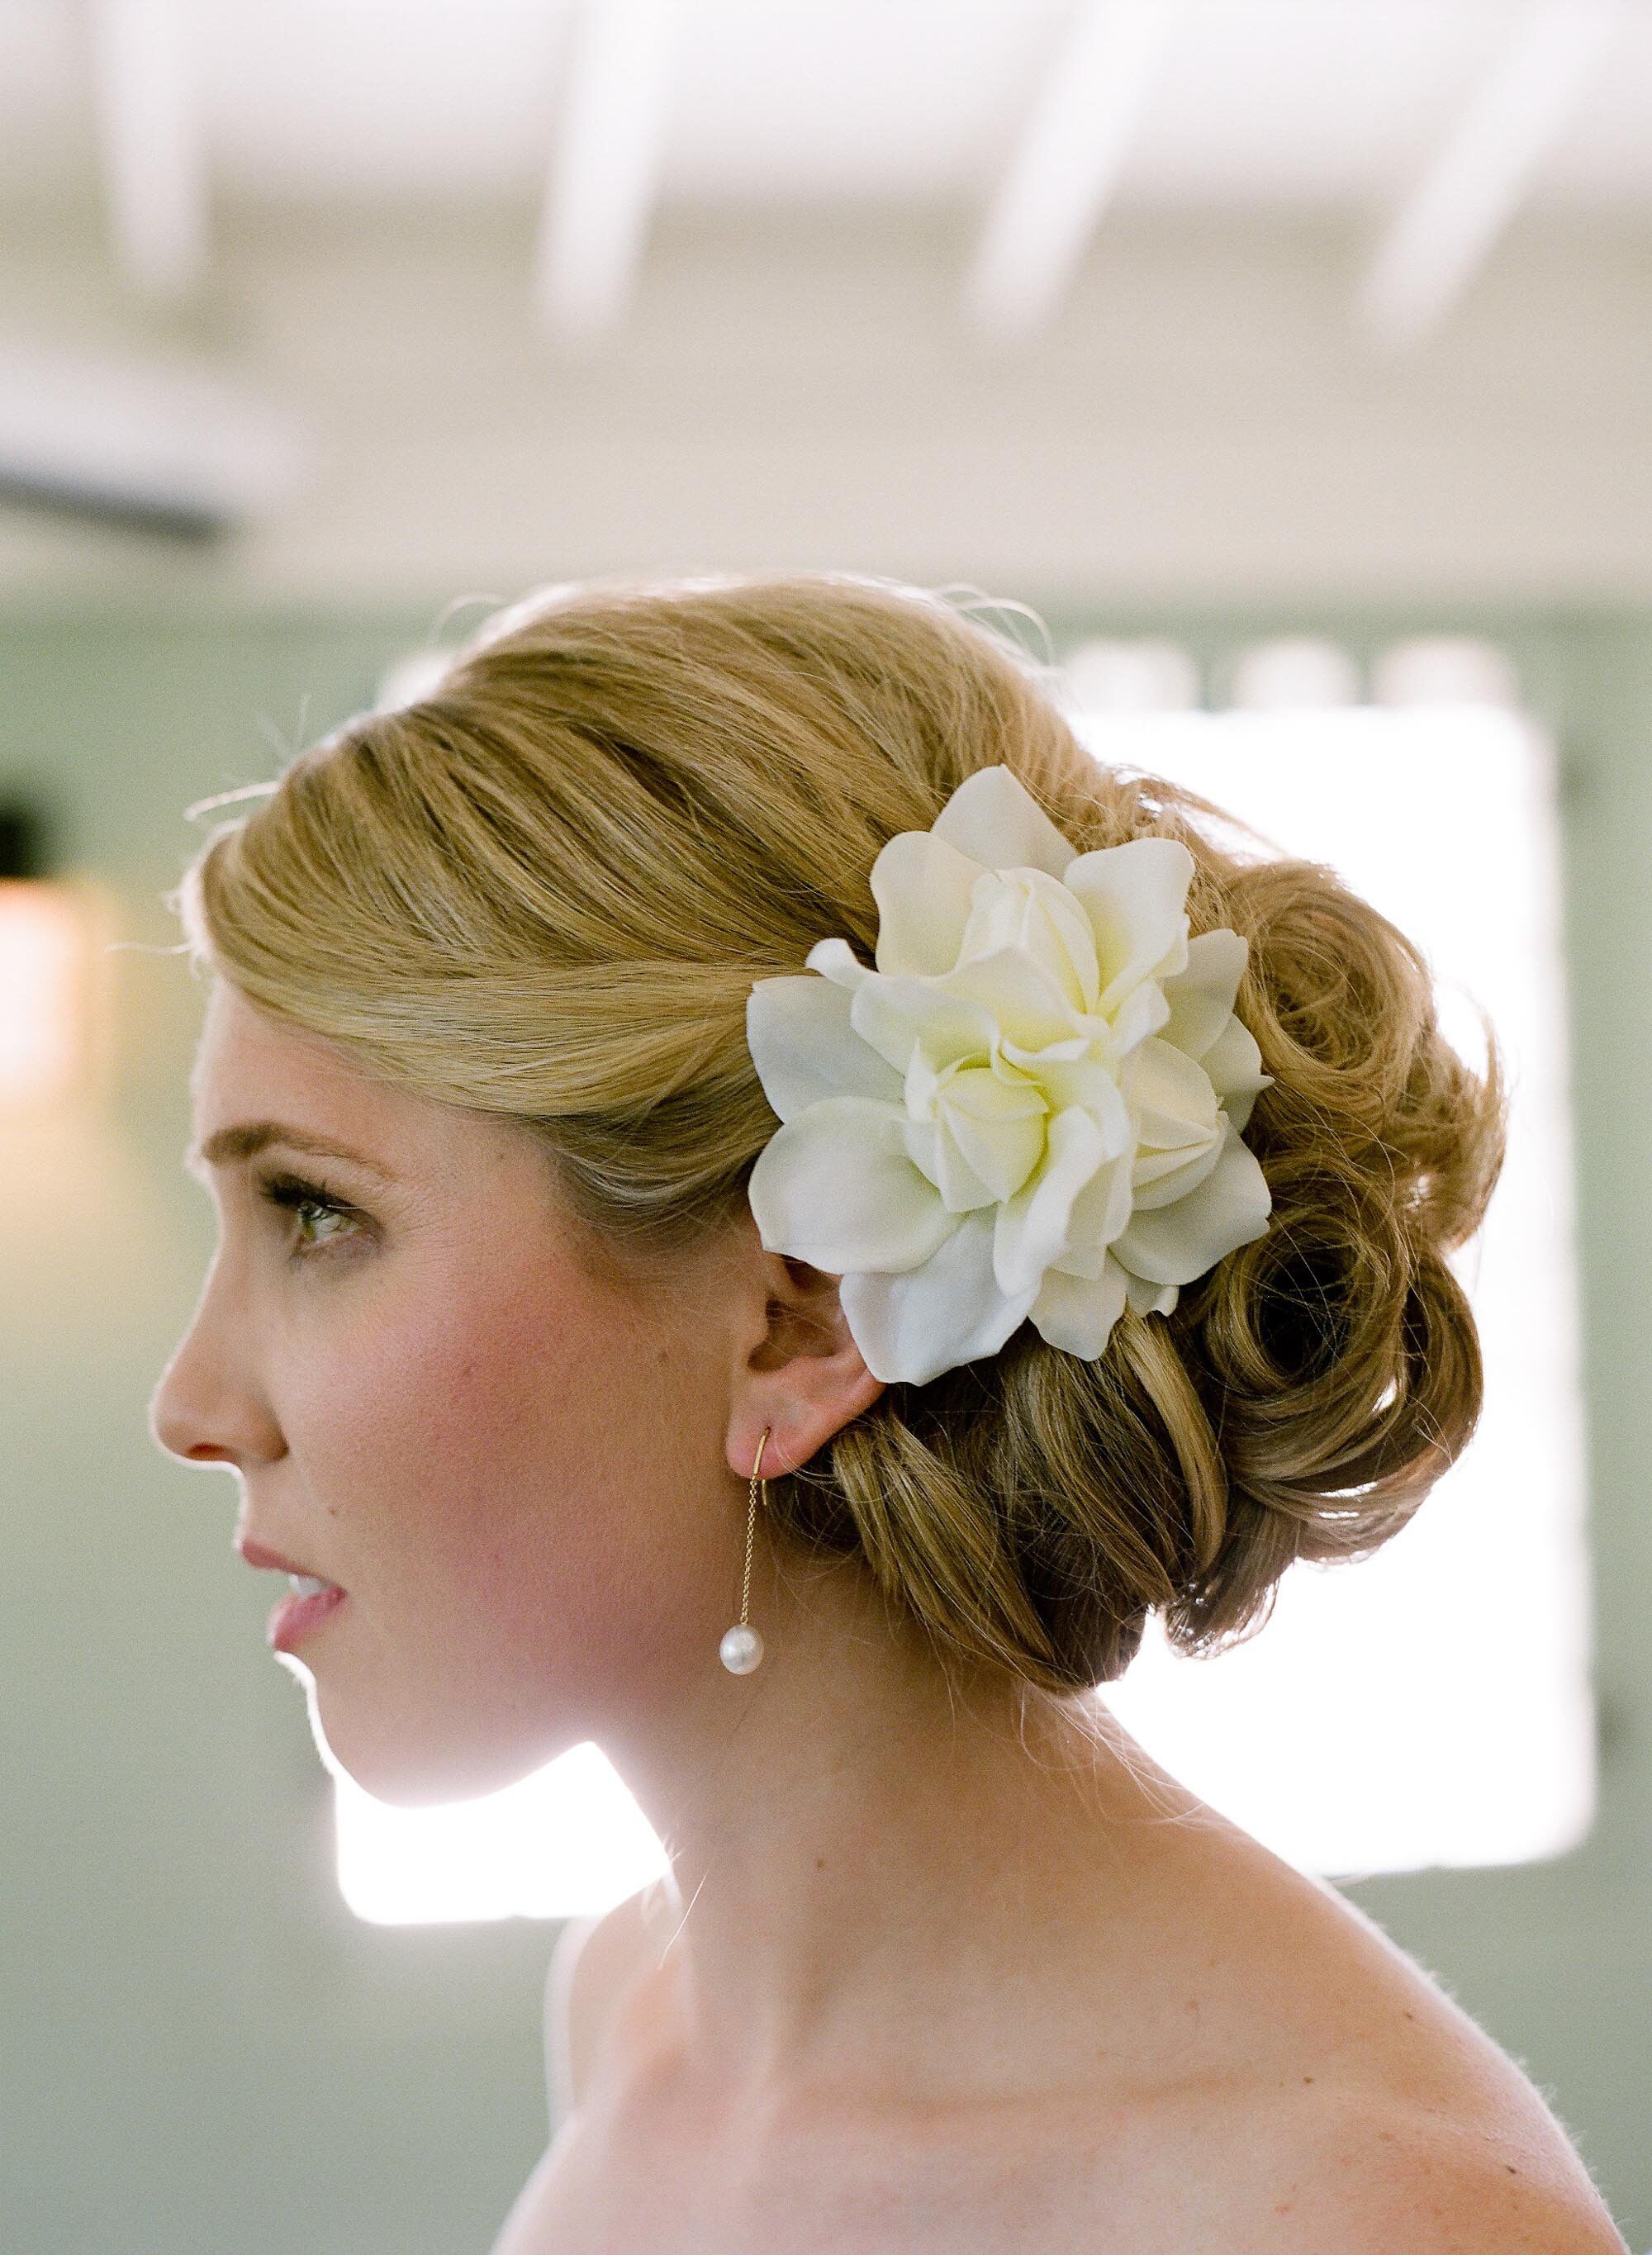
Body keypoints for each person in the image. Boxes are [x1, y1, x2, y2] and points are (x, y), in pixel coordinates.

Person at [150, 574, 1630, 2253]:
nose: (191, 1404)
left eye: (316, 1214)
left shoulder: (1361, 2219)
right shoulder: (636, 2012)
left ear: (800, 1318)